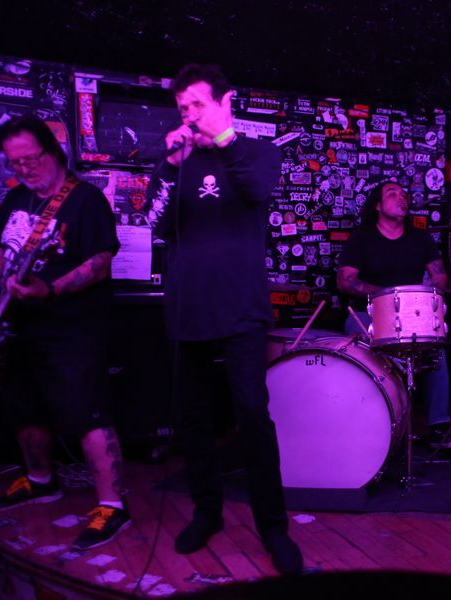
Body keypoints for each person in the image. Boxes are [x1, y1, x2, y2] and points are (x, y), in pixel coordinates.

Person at [147, 64, 302, 575]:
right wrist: (170, 166)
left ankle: (273, 528)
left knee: (252, 414)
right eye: (183, 108)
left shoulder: (257, 151)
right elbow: (155, 224)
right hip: (188, 307)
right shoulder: (180, 162)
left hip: (241, 308)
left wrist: (224, 138)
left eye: (198, 103)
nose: (190, 114)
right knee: (192, 418)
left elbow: (257, 191)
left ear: (225, 101)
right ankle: (207, 512)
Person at [0, 115, 128, 550]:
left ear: (53, 150)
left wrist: (51, 289)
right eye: (15, 162)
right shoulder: (15, 199)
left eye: (31, 159)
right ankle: (41, 480)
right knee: (24, 406)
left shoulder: (85, 201)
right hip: (19, 325)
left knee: (87, 412)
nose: (24, 168)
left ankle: (113, 505)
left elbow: (100, 263)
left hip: (72, 327)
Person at [337, 180, 451, 449]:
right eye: (392, 194)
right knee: (364, 354)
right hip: (368, 313)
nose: (401, 197)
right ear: (378, 206)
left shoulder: (420, 238)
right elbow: (345, 281)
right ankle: (370, 424)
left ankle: (438, 426)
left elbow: (440, 277)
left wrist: (420, 297)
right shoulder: (362, 238)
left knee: (436, 350)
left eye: (404, 194)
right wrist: (385, 295)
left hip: (412, 312)